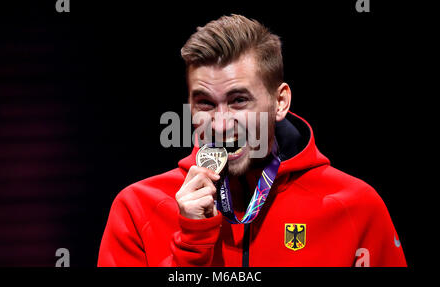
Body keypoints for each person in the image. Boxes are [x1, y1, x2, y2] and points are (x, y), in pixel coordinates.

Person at [97, 14, 406, 267]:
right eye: (205, 103)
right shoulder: (137, 210)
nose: (219, 123)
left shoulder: (356, 207)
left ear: (280, 102)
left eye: (239, 100)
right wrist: (191, 246)